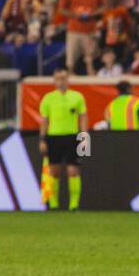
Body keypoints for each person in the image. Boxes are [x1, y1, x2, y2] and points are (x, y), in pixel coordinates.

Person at [38, 68, 87, 210]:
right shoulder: (48, 98)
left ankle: (74, 204)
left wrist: (84, 137)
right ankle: (53, 204)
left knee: (73, 171)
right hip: (53, 137)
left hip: (73, 136)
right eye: (58, 78)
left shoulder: (77, 97)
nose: (61, 81)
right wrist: (42, 139)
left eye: (64, 78)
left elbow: (83, 117)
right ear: (54, 81)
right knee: (54, 172)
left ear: (68, 79)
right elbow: (44, 120)